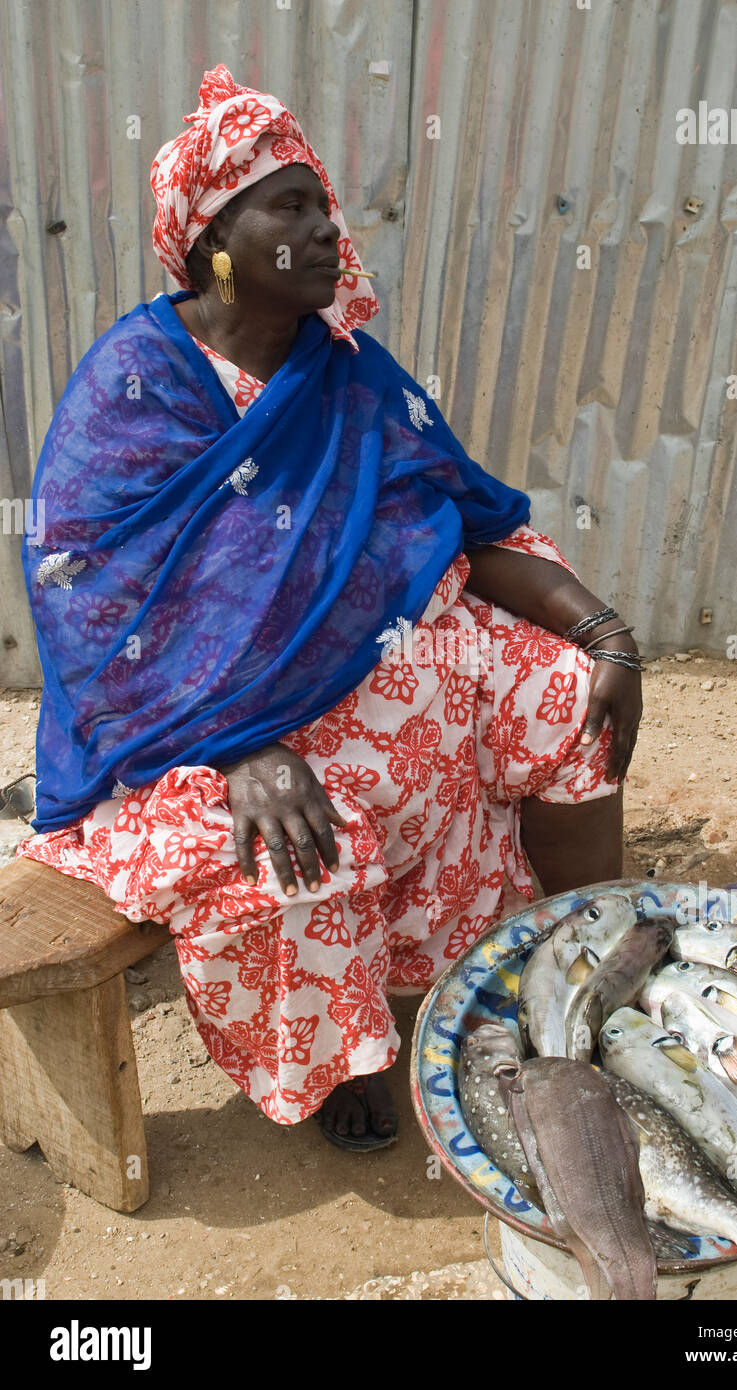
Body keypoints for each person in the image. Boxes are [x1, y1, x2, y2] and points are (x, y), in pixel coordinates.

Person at [18, 65, 642, 1150]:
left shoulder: (348, 371)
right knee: (294, 847)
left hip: (388, 689)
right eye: (289, 205)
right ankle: (330, 1062)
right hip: (181, 740)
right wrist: (236, 746)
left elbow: (467, 518)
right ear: (215, 235)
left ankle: (567, 955)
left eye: (323, 203)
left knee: (565, 700)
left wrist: (602, 633)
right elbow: (88, 611)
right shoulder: (136, 385)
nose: (324, 228)